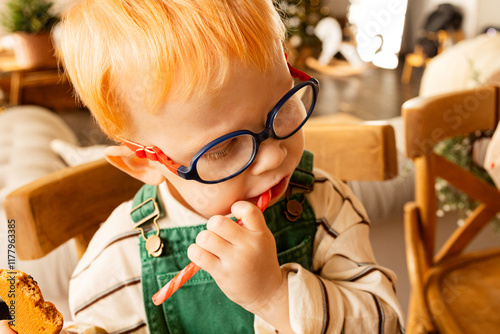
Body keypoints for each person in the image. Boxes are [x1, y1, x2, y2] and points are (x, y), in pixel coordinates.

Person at [1, 0, 404, 333]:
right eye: (224, 147)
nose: (274, 156)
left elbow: (385, 323)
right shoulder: (117, 259)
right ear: (143, 165)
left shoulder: (325, 204)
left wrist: (275, 297)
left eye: (282, 108)